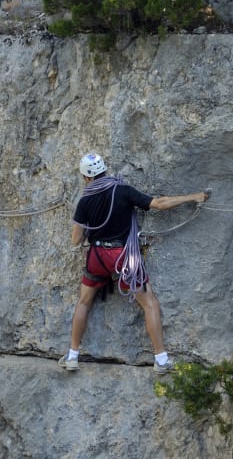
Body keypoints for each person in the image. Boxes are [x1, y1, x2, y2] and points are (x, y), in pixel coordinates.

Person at [59, 152, 209, 374]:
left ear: (86, 177)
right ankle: (161, 360)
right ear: (105, 170)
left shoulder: (85, 200)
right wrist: (193, 197)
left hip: (97, 256)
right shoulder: (123, 191)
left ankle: (72, 356)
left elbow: (76, 239)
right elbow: (159, 203)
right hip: (122, 257)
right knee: (149, 303)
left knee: (83, 302)